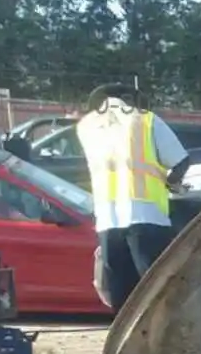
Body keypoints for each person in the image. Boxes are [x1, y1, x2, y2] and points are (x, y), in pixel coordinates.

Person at [75, 84, 187, 311]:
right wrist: (172, 184)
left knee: (121, 296)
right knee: (154, 291)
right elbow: (180, 161)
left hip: (108, 218)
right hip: (147, 215)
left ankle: (125, 341)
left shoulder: (85, 127)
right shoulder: (146, 120)